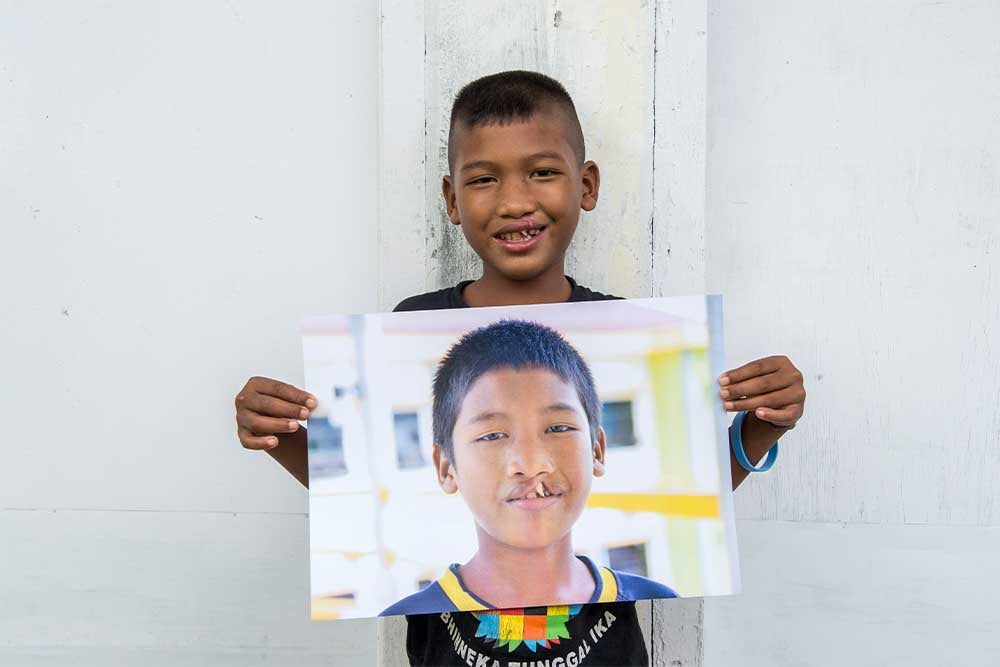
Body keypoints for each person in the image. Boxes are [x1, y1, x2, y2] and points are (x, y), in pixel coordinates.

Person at [234, 70, 807, 666]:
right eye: (484, 179)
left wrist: (765, 422)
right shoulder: (411, 326)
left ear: (586, 185)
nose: (514, 201)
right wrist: (282, 436)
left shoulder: (623, 329)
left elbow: (693, 487)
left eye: (542, 171)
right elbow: (354, 493)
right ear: (452, 200)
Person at [380, 319, 679, 619]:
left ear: (597, 450)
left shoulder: (660, 608)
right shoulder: (403, 630)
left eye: (558, 427)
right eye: (492, 435)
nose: (531, 464)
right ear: (446, 468)